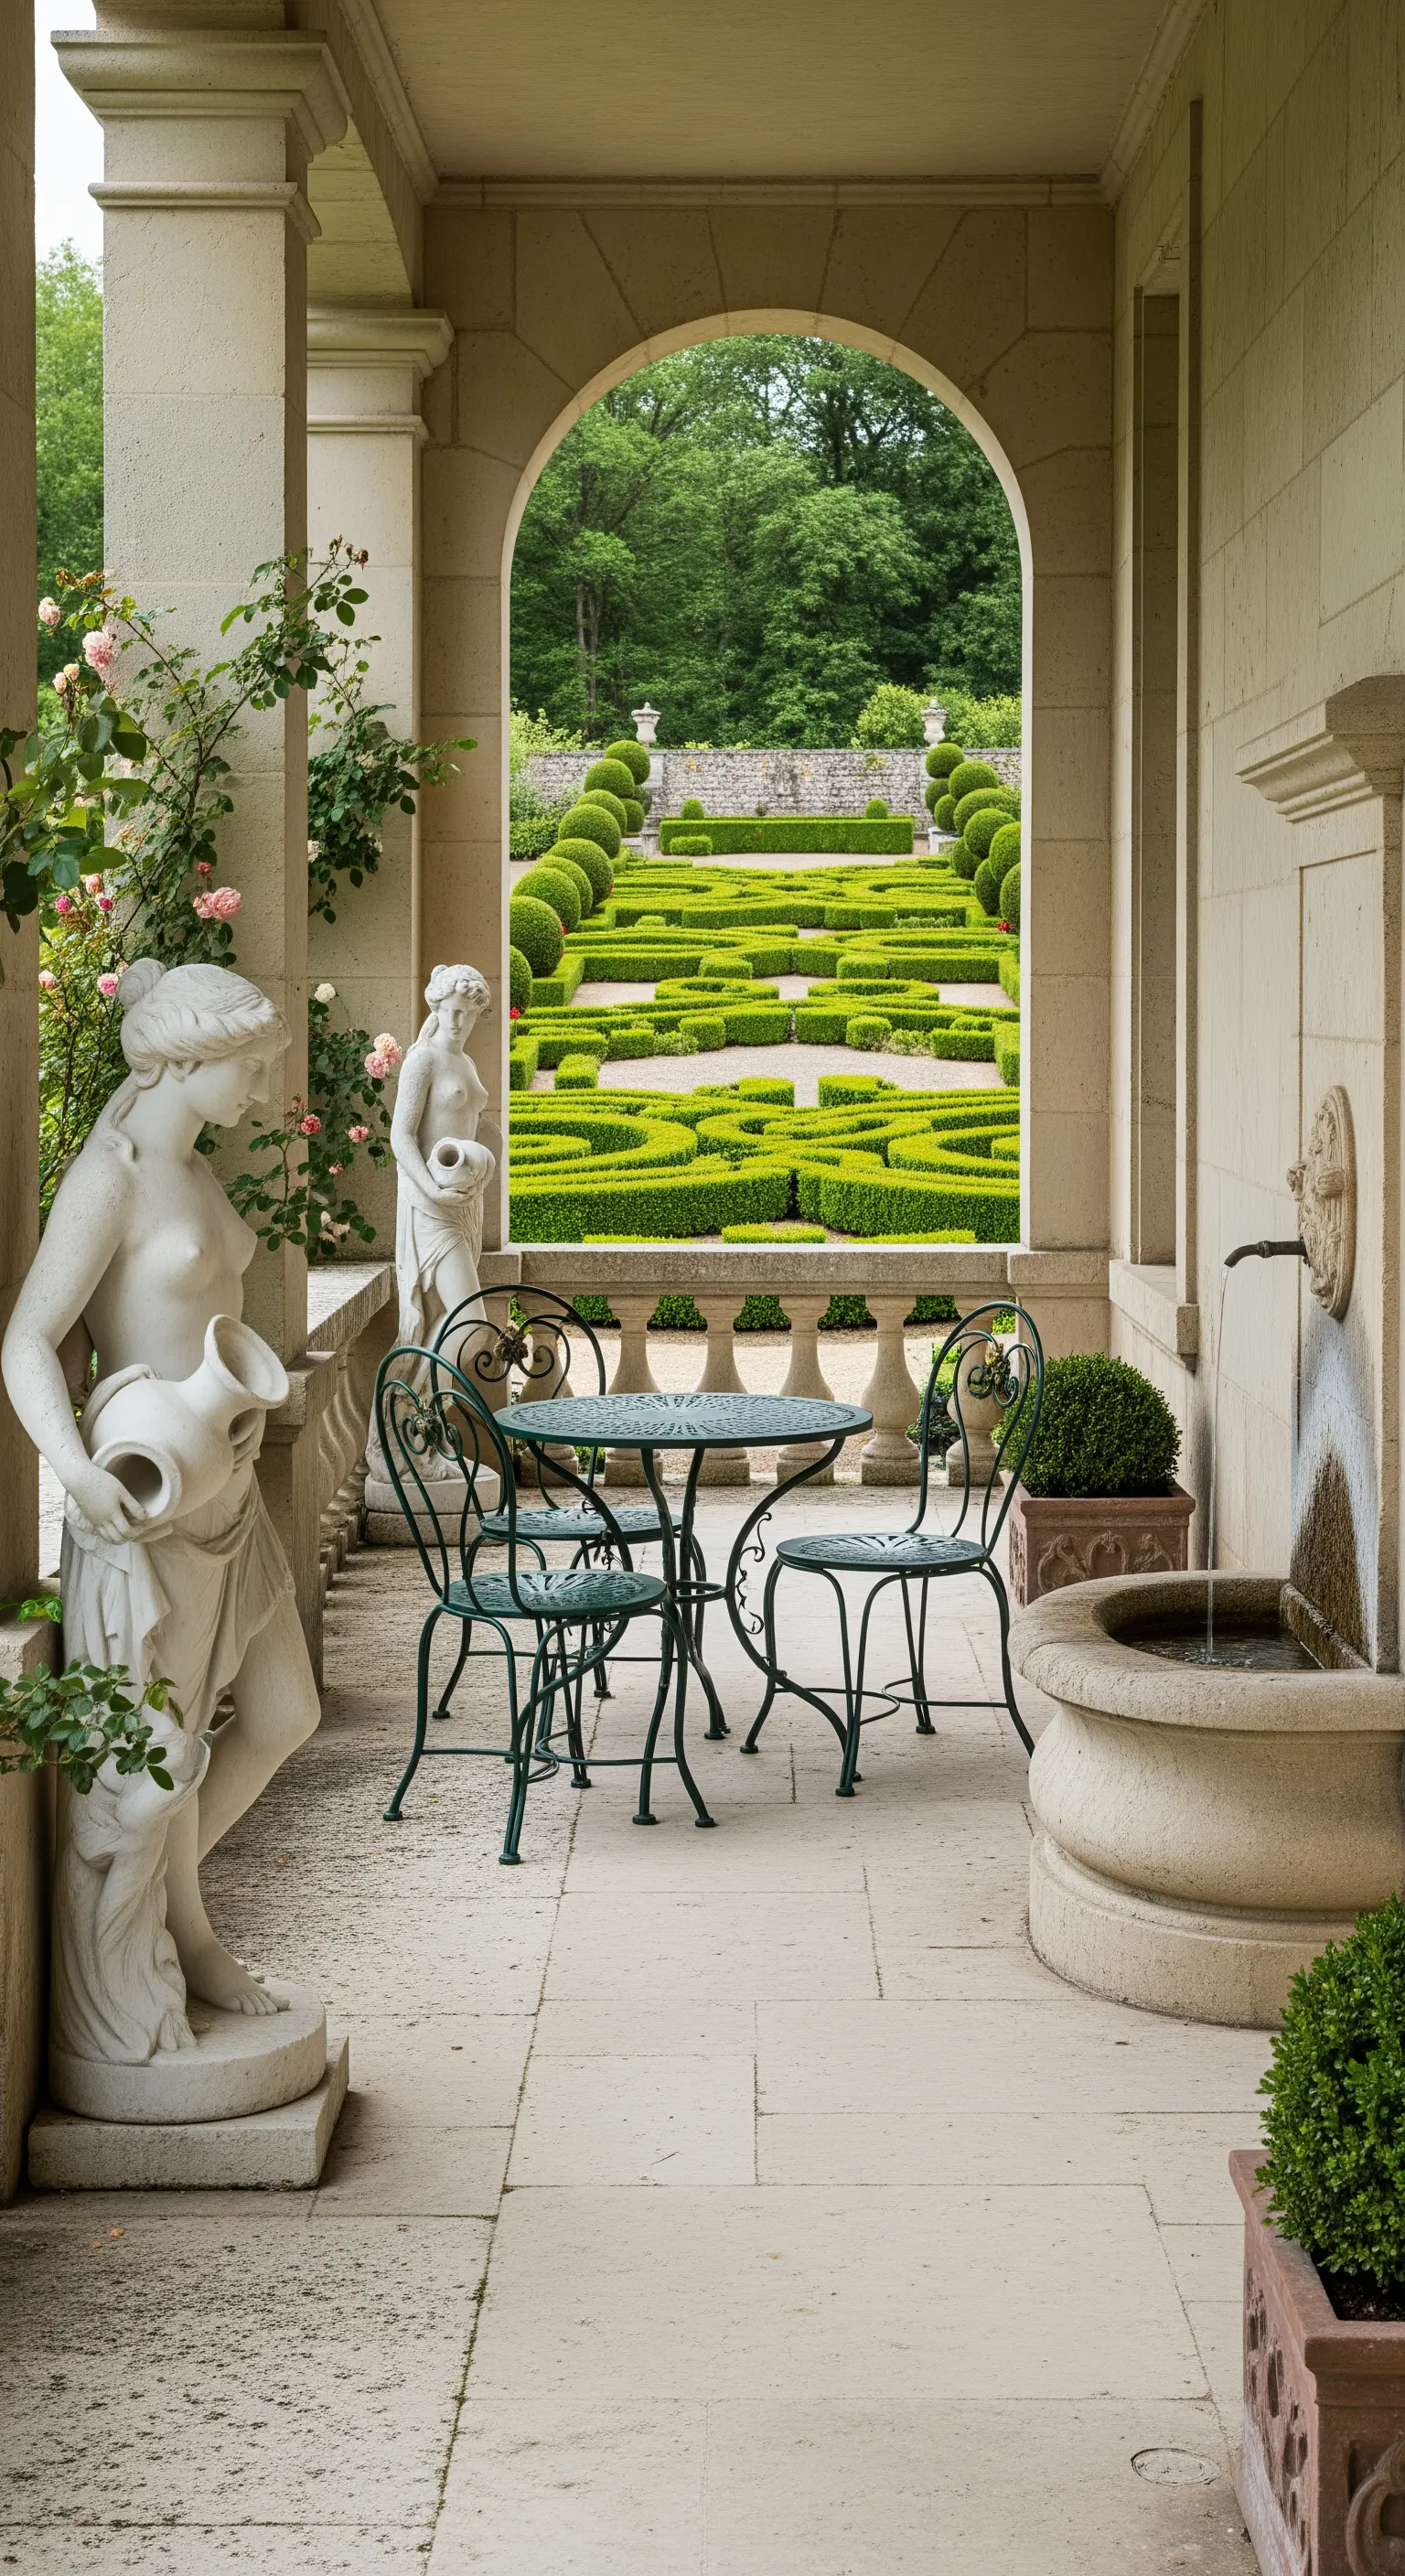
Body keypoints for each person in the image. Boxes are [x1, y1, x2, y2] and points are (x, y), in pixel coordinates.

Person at [2, 958, 320, 2040]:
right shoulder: (115, 1174)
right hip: (149, 1502)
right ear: (186, 1056)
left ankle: (184, 1932)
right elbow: (30, 1341)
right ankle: (169, 1950)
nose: (260, 1087)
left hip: (226, 1492)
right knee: (161, 1752)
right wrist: (76, 1471)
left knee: (283, 1713)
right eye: (248, 1064)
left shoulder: (198, 1169)